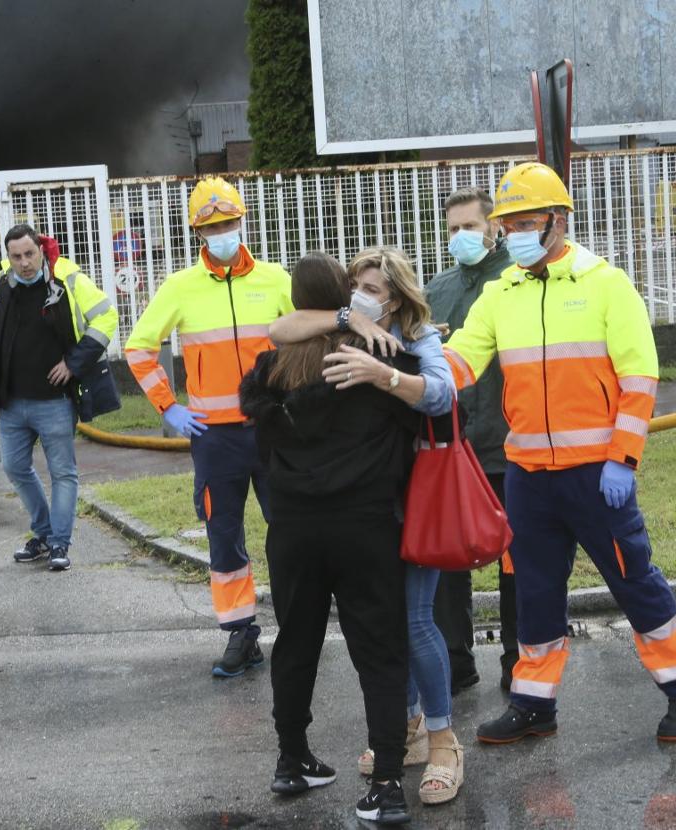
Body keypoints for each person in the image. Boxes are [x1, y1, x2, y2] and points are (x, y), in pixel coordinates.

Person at [443, 162, 676, 744]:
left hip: (597, 474)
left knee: (632, 579)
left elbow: (640, 375)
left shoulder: (604, 284)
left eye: (526, 221)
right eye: (507, 222)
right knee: (535, 590)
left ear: (559, 222)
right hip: (528, 478)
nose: (513, 231)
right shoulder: (501, 293)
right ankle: (534, 702)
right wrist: (408, 363)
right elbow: (462, 361)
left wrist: (623, 458)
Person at [269, 246, 463, 807]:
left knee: (403, 626)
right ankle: (391, 768)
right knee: (382, 645)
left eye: (372, 290)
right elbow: (281, 327)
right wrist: (351, 327)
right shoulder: (343, 345)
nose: (361, 297)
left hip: (379, 516)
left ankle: (435, 741)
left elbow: (445, 400)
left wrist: (384, 372)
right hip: (370, 522)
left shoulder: (405, 345)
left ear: (397, 297)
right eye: (354, 287)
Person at [240, 251, 421, 826]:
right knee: (380, 650)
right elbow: (421, 422)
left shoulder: (271, 370)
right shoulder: (374, 358)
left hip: (292, 527)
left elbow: (262, 446)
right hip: (366, 525)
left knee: (295, 643)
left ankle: (291, 760)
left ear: (297, 303)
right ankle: (388, 783)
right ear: (343, 300)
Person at [124, 177, 293, 677]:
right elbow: (138, 348)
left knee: (289, 529)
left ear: (242, 222)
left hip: (272, 428)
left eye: (228, 223)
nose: (221, 232)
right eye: (211, 226)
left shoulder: (276, 279)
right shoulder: (180, 287)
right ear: (198, 231)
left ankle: (297, 623)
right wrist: (168, 407)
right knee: (224, 535)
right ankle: (241, 634)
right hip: (214, 437)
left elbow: (308, 337)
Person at [0, 224, 119, 572]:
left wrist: (74, 363)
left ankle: (59, 543)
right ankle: (43, 533)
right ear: (8, 257)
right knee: (13, 467)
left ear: (41, 249)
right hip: (11, 402)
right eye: (16, 257)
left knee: (63, 473)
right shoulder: (0, 280)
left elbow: (107, 316)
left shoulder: (67, 276)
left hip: (54, 401)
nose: (24, 263)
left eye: (29, 254)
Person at [423, 186, 519, 695]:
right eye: (453, 228)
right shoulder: (437, 289)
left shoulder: (515, 281)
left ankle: (517, 661)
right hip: (453, 448)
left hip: (507, 443)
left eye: (471, 227)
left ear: (494, 227)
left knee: (514, 562)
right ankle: (455, 663)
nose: (461, 236)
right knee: (449, 562)